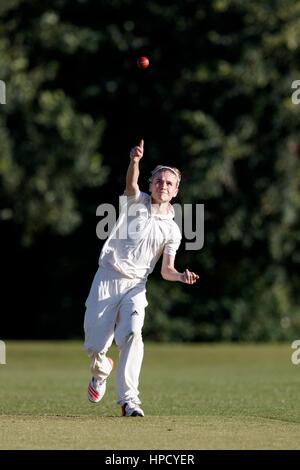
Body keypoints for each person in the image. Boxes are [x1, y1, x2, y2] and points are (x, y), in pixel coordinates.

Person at [83, 139, 199, 417]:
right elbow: (131, 185)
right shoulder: (136, 203)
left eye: (169, 183)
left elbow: (166, 270)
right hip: (108, 278)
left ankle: (128, 401)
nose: (163, 185)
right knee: (96, 345)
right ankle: (101, 370)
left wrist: (181, 276)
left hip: (136, 286)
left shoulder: (172, 230)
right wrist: (134, 162)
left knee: (133, 335)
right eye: (159, 180)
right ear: (151, 185)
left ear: (176, 190)